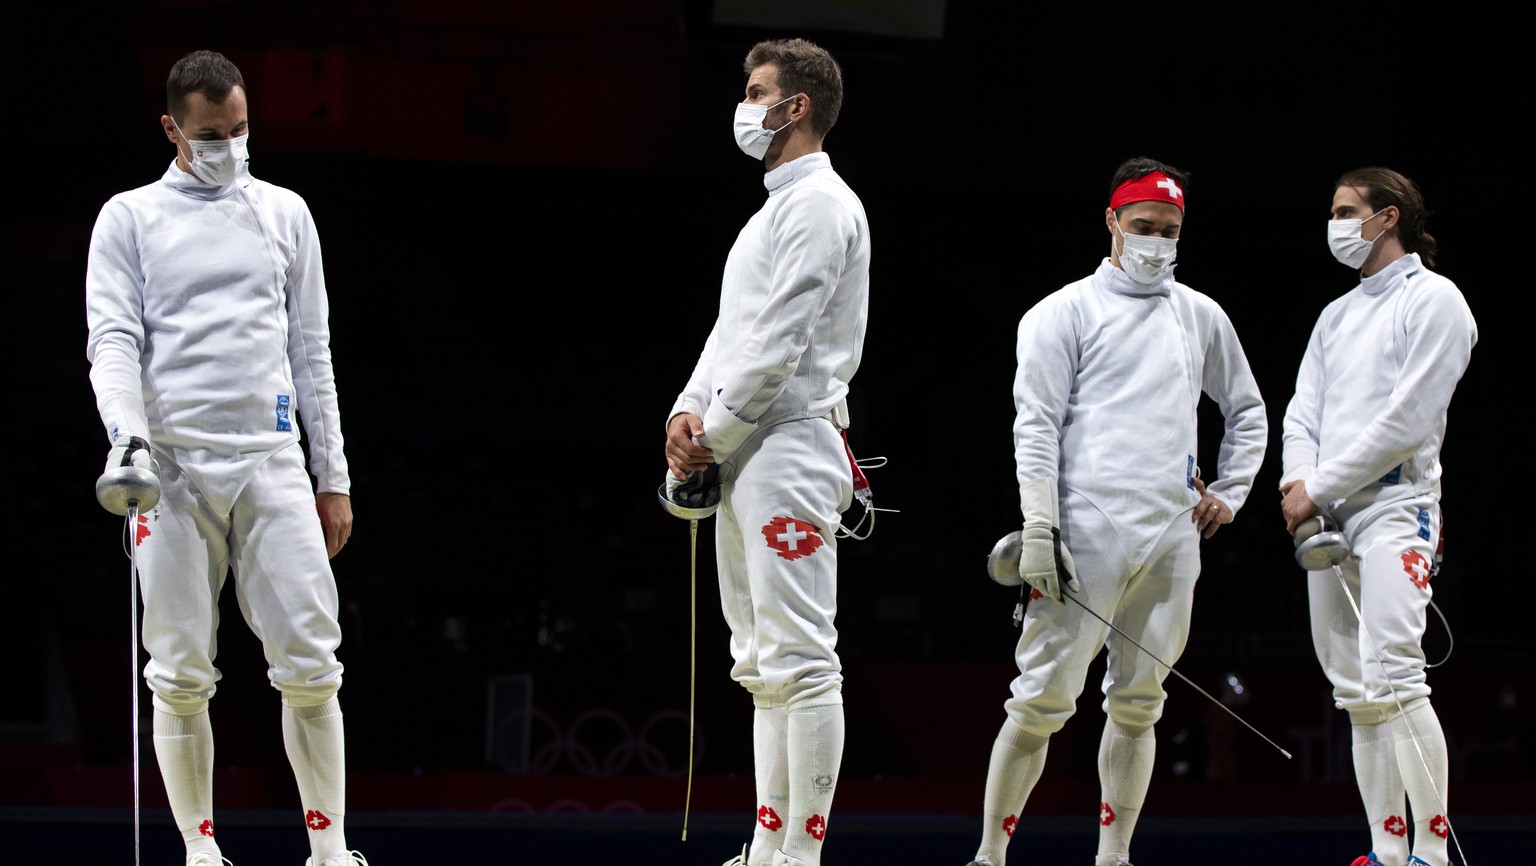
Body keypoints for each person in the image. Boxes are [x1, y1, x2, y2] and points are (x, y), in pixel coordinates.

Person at [85, 49, 368, 866]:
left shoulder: (285, 212)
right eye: (211, 134)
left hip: (272, 461)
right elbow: (112, 341)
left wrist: (333, 477)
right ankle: (200, 852)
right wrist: (127, 439)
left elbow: (312, 351)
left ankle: (329, 850)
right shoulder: (129, 217)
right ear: (173, 128)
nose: (230, 146)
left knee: (313, 660)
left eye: (240, 129)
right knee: (178, 670)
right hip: (170, 469)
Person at [965, 157, 1268, 866]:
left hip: (1172, 535)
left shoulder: (1200, 315)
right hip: (1084, 532)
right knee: (1041, 700)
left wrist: (1231, 491)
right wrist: (1038, 523)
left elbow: (1247, 410)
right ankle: (989, 856)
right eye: (1143, 227)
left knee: (1140, 702)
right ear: (1111, 221)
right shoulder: (1061, 312)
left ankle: (1114, 856)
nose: (1158, 241)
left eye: (1170, 230)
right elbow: (1034, 425)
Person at [661, 37, 870, 866]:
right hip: (748, 448)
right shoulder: (769, 215)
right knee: (760, 663)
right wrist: (687, 409)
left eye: (758, 91)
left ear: (797, 106)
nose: (744, 106)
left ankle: (802, 856)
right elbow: (732, 334)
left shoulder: (822, 204)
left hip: (787, 444)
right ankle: (767, 846)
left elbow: (782, 341)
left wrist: (711, 434)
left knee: (803, 660)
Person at [1280, 167, 1476, 866]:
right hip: (1329, 521)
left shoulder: (1435, 301)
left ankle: (1430, 850)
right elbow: (1302, 411)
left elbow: (1408, 419)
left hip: (1397, 508)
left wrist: (1319, 482)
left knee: (1397, 675)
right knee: (1357, 695)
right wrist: (1297, 484)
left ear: (1388, 216)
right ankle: (1385, 852)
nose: (1333, 223)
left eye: (1344, 210)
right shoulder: (1336, 316)